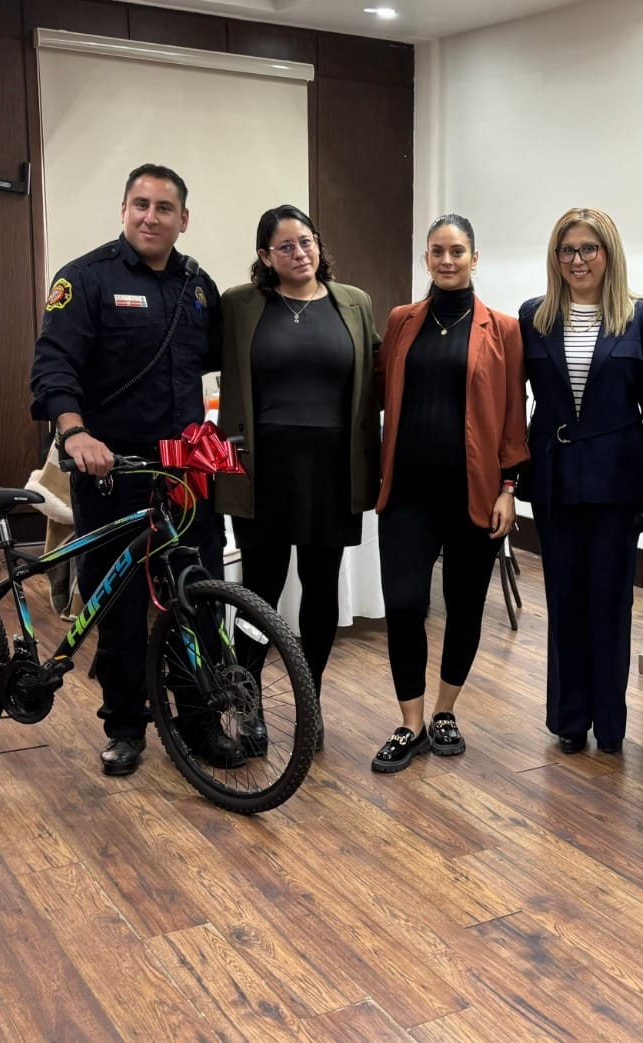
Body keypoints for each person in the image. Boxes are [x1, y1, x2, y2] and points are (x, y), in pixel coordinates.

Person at [28, 163, 236, 777]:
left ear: (183, 219)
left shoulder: (200, 288)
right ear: (123, 211)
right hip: (111, 473)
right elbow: (53, 367)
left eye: (164, 208)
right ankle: (124, 724)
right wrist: (75, 432)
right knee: (115, 602)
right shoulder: (84, 279)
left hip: (183, 477)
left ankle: (198, 721)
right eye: (140, 205)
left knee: (196, 596)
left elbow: (226, 364)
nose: (151, 217)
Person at [215, 204, 382, 755]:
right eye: (285, 246)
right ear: (265, 256)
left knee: (320, 586)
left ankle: (309, 703)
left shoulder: (353, 303)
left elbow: (382, 374)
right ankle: (249, 699)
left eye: (306, 242)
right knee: (259, 590)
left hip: (333, 473)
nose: (300, 253)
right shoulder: (240, 305)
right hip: (262, 474)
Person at [370, 214, 527, 773]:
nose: (447, 260)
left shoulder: (503, 330)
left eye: (457, 251)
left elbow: (513, 416)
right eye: (437, 251)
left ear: (474, 258)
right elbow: (375, 393)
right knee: (405, 605)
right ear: (427, 259)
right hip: (407, 493)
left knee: (464, 608)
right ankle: (409, 722)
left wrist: (510, 487)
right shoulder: (401, 321)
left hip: (475, 495)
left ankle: (444, 711)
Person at [518, 208, 643, 755]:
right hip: (556, 480)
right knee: (565, 602)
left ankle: (610, 724)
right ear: (555, 259)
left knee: (609, 604)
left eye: (588, 249)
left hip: (617, 482)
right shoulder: (534, 315)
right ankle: (569, 720)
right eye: (566, 251)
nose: (577, 260)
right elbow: (519, 402)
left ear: (608, 254)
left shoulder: (640, 315)